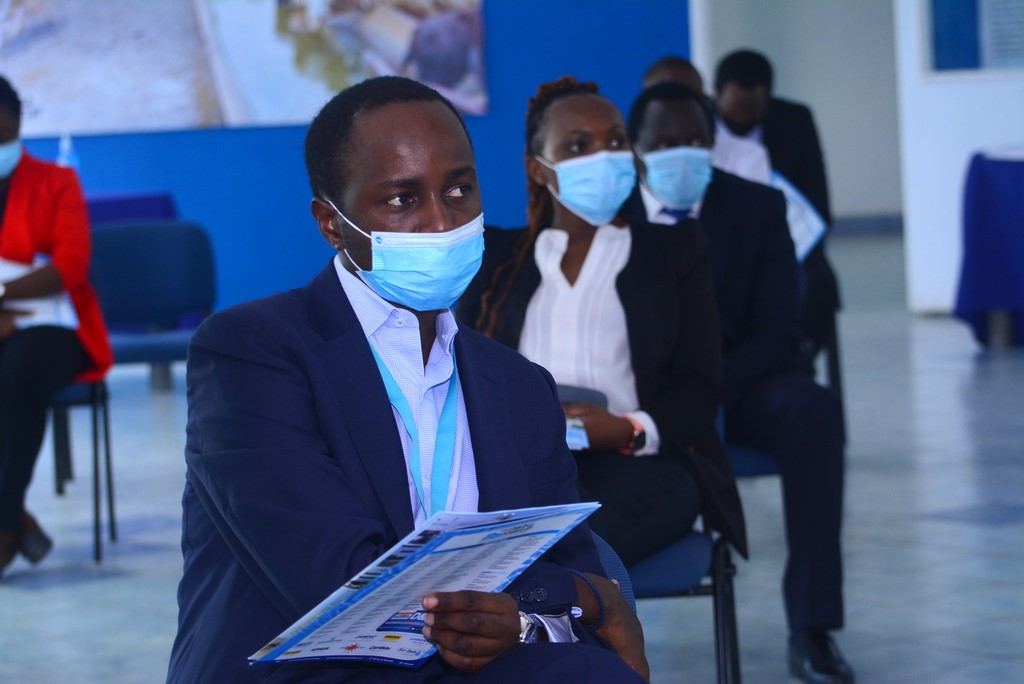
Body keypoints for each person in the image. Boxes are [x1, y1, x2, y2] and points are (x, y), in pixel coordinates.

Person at [167, 76, 648, 684]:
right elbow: (340, 586)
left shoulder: (521, 386)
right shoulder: (252, 354)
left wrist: (553, 607)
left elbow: (568, 582)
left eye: (458, 190)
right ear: (332, 222)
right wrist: (580, 598)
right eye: (402, 199)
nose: (441, 222)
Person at [458, 76, 747, 568]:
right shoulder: (498, 261)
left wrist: (629, 429)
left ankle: (558, 608)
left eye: (615, 142)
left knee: (574, 546)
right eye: (578, 146)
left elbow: (700, 388)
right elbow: (470, 377)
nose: (604, 157)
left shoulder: (674, 251)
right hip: (527, 463)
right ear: (538, 169)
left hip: (642, 462)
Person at [621, 81, 852, 684]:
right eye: (664, 143)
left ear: (713, 143)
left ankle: (814, 629)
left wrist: (703, 388)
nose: (682, 152)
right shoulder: (609, 215)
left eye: (695, 139)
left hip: (740, 388)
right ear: (637, 149)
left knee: (814, 411)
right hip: (639, 399)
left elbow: (780, 332)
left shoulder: (758, 207)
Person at [0, 75, 112, 578]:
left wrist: (2, 295)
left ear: (17, 123)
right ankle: (14, 517)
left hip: (58, 325)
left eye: (2, 132)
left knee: (18, 372)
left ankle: (5, 527)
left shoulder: (55, 181)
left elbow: (70, 266)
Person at [714, 49, 841, 369]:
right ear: (717, 94)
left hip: (779, 233)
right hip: (713, 232)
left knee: (818, 280)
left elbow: (818, 200)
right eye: (734, 113)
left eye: (751, 112)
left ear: (768, 98)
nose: (742, 121)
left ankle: (800, 354)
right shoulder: (695, 121)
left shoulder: (795, 121)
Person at [643, 55, 771, 185]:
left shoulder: (747, 154)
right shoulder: (633, 157)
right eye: (663, 99)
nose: (675, 110)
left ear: (704, 102)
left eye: (686, 99)